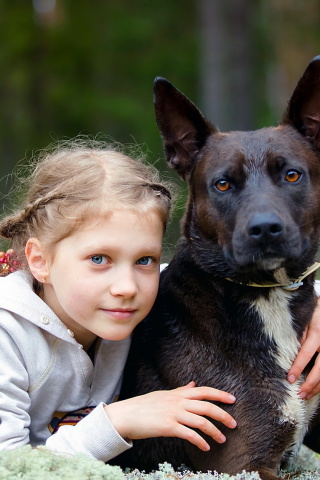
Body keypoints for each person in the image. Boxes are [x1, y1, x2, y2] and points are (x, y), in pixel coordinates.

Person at [0, 139, 237, 462]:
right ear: (40, 261)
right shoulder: (7, 334)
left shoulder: (139, 300)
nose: (127, 287)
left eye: (144, 260)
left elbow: (241, 290)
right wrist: (117, 422)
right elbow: (8, 466)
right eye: (99, 259)